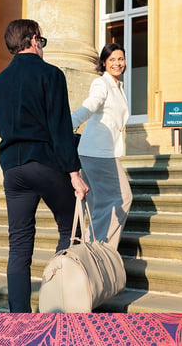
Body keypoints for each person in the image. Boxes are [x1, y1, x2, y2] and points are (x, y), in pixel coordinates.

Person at [0, 19, 88, 313]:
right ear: (33, 39)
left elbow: (2, 124)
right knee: (72, 229)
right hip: (44, 162)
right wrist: (74, 174)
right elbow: (59, 128)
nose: (42, 47)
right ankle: (61, 299)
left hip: (13, 169)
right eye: (41, 41)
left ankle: (18, 319)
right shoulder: (51, 74)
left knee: (19, 247)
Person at [71, 43, 133, 250]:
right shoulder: (101, 84)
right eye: (112, 60)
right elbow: (90, 105)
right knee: (123, 198)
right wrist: (68, 125)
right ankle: (103, 251)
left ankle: (91, 252)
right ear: (104, 63)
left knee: (98, 207)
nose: (117, 63)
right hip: (98, 153)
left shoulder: (118, 86)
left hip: (98, 152)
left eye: (121, 59)